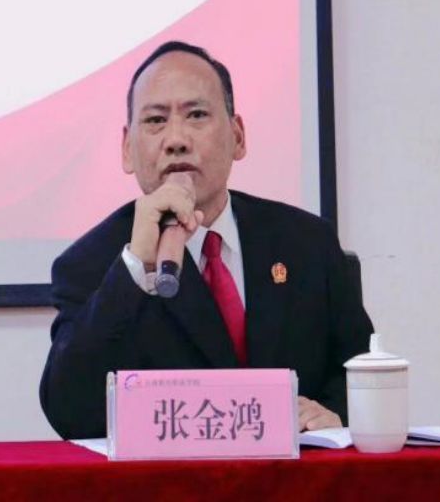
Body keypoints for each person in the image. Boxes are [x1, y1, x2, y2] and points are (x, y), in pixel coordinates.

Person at [40, 41, 374, 439]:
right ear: (127, 150)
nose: (176, 139)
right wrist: (136, 269)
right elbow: (69, 412)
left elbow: (364, 375)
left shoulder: (307, 244)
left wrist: (335, 413)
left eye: (196, 115)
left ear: (238, 136)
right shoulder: (91, 264)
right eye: (155, 121)